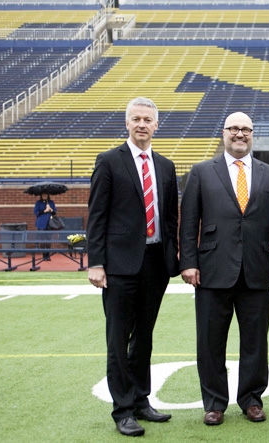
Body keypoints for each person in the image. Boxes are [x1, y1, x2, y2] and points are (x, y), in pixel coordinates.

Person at [180, 112, 269, 427]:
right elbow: (189, 222)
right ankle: (214, 403)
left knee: (255, 340)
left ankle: (251, 400)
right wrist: (188, 262)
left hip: (257, 269)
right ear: (224, 133)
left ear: (252, 134)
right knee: (210, 340)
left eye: (245, 129)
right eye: (233, 128)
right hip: (212, 270)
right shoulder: (202, 172)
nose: (239, 134)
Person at [87, 97, 179, 437]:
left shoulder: (166, 166)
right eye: (136, 119)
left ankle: (141, 399)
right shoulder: (109, 160)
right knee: (118, 339)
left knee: (143, 338)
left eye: (148, 119)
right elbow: (97, 215)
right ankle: (122, 410)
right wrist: (95, 262)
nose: (142, 124)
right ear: (127, 123)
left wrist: (175, 258)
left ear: (157, 125)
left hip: (155, 264)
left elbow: (170, 218)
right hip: (119, 266)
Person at [34, 192, 56, 260]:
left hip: (49, 223)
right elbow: (36, 212)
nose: (44, 196)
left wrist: (50, 209)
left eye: (46, 194)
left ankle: (48, 255)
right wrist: (45, 211)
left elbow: (54, 212)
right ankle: (44, 255)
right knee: (43, 240)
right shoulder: (38, 203)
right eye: (43, 195)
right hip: (41, 223)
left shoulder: (51, 202)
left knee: (48, 240)